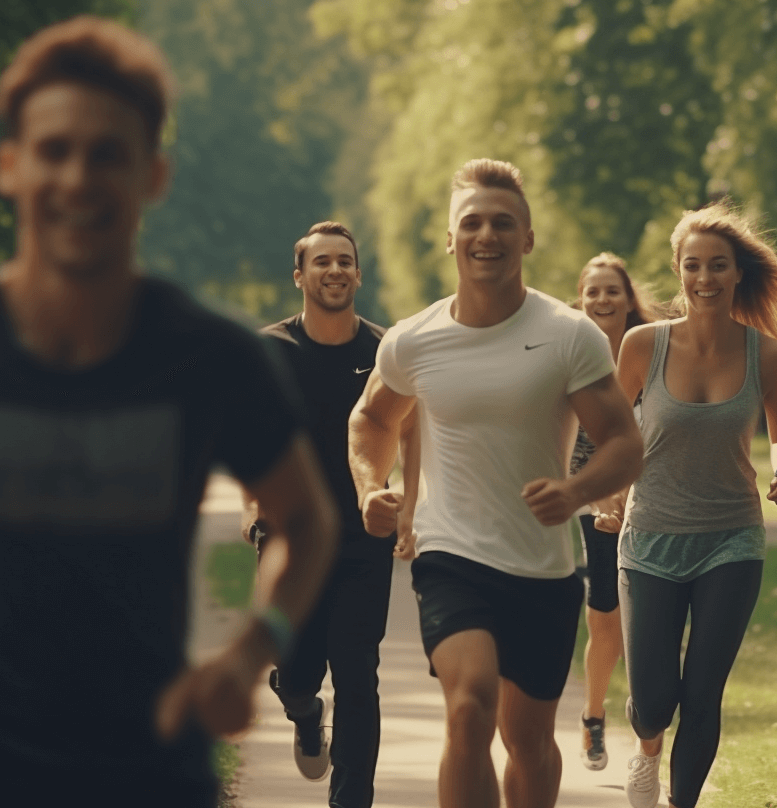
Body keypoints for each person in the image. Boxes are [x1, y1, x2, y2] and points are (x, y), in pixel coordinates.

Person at [0, 17, 338, 806]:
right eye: (54, 150)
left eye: (108, 154)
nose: (79, 177)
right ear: (11, 166)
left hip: (149, 763)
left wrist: (254, 650)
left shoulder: (211, 357)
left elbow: (308, 523)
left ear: (152, 175)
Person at [349, 158, 644, 808]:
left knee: (529, 742)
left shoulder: (569, 337)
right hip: (451, 557)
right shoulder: (413, 340)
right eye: (472, 223)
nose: (487, 235)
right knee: (469, 706)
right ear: (451, 239)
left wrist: (574, 489)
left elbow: (625, 444)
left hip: (542, 572)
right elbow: (371, 418)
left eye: (503, 223)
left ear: (528, 238)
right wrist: (372, 487)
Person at [614, 201, 777, 808]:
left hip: (732, 538)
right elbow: (611, 429)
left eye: (717, 266)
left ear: (737, 274)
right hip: (650, 534)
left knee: (703, 693)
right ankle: (647, 748)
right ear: (678, 272)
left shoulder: (767, 355)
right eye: (692, 266)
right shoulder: (642, 346)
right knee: (652, 701)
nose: (704, 279)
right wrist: (607, 492)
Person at [242, 221, 417, 806]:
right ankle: (302, 707)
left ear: (358, 274)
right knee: (295, 669)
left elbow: (412, 429)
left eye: (345, 261)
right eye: (322, 262)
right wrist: (251, 505)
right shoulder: (271, 349)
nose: (335, 270)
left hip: (362, 535)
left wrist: (410, 508)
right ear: (300, 276)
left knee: (358, 676)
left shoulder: (385, 349)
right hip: (291, 536)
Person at [569, 252, 662, 771]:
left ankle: (644, 721)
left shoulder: (653, 350)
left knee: (645, 620)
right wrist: (597, 492)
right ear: (582, 299)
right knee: (605, 616)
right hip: (596, 500)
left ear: (629, 299)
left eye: (613, 290)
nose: (603, 299)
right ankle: (593, 717)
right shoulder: (570, 355)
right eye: (594, 291)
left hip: (652, 499)